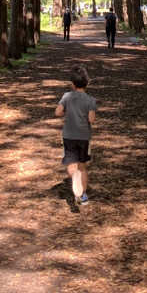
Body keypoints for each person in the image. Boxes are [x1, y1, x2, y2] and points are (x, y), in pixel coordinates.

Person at [55, 64, 97, 206]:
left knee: (71, 163)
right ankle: (83, 196)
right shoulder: (90, 100)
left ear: (72, 84)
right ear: (88, 83)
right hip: (84, 136)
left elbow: (58, 112)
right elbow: (91, 119)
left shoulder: (66, 96)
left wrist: (68, 112)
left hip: (69, 135)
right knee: (82, 166)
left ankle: (74, 177)